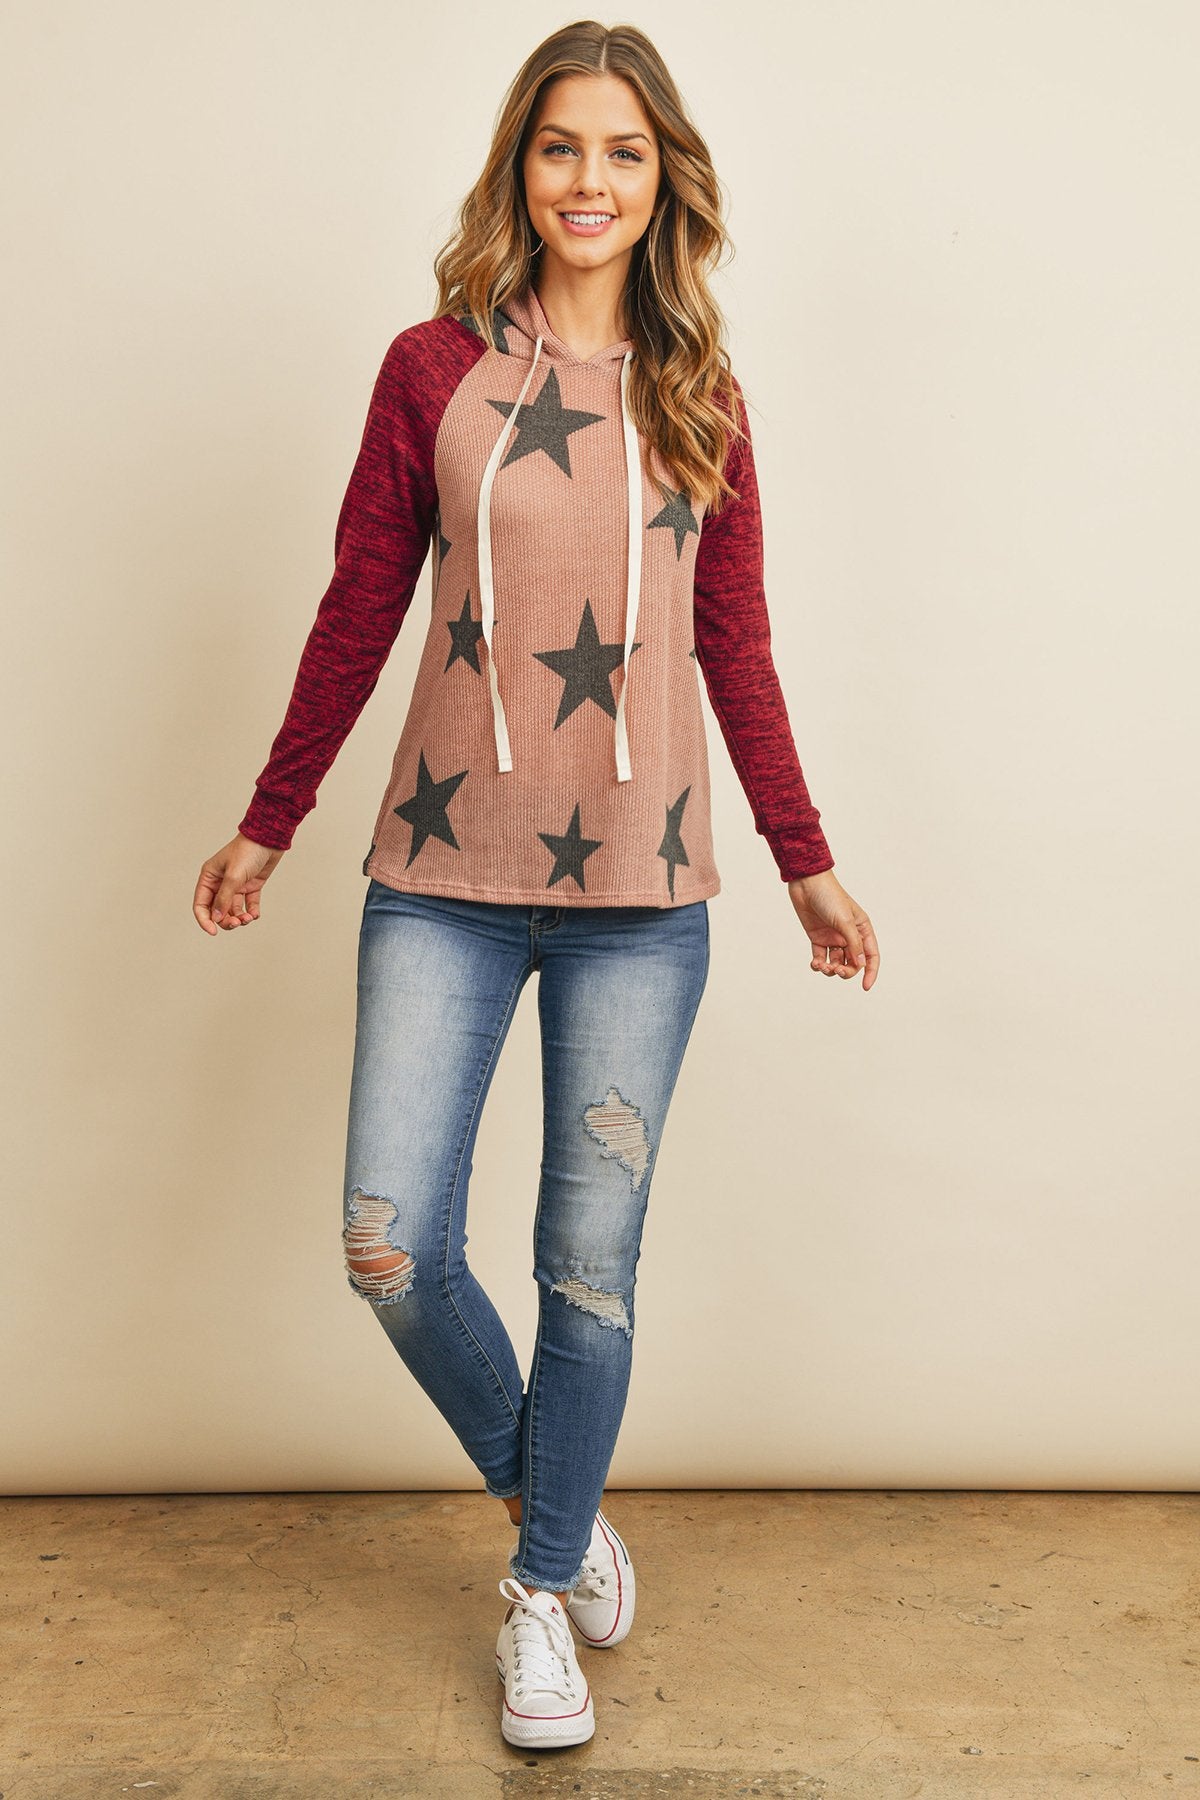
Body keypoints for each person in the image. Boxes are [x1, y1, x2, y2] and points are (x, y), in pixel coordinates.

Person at [193, 20, 879, 1754]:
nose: (591, 179)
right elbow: (362, 600)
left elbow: (736, 645)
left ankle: (537, 1592)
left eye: (624, 152)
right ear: (522, 167)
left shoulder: (703, 396)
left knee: (588, 1263)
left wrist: (803, 860)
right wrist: (271, 819)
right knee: (391, 1244)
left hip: (645, 899)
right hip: (441, 875)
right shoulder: (430, 370)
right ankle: (558, 1515)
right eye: (563, 146)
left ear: (664, 183)